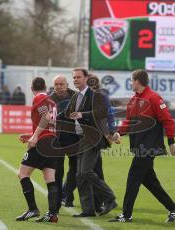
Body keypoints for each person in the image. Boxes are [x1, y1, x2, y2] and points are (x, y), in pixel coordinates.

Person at [110, 69, 175, 223]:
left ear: (137, 81)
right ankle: (173, 208)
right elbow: (128, 123)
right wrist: (118, 133)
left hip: (149, 147)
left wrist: (171, 142)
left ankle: (126, 215)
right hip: (139, 147)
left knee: (133, 178)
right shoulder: (133, 100)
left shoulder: (154, 98)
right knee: (149, 181)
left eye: (131, 80)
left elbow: (168, 120)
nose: (130, 83)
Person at [64, 67, 117, 217]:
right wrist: (52, 117)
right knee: (80, 175)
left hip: (93, 137)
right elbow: (67, 113)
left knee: (85, 171)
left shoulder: (95, 95)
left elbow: (102, 112)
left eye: (78, 77)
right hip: (81, 139)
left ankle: (109, 198)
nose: (75, 80)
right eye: (73, 77)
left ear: (86, 78)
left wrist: (82, 114)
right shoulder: (75, 96)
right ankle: (88, 210)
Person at [16, 77, 58, 223]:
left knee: (22, 173)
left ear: (31, 88)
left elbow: (46, 117)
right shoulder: (52, 101)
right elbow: (49, 123)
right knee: (50, 178)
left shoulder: (39, 99)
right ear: (46, 86)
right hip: (53, 142)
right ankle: (52, 214)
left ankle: (32, 209)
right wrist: (31, 135)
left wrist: (34, 137)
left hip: (43, 143)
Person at [49, 75, 78, 212]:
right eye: (56, 84)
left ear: (67, 84)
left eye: (61, 84)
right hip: (57, 141)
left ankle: (68, 196)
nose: (59, 86)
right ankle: (56, 204)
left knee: (77, 169)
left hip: (75, 139)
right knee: (57, 173)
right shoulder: (48, 100)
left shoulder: (77, 97)